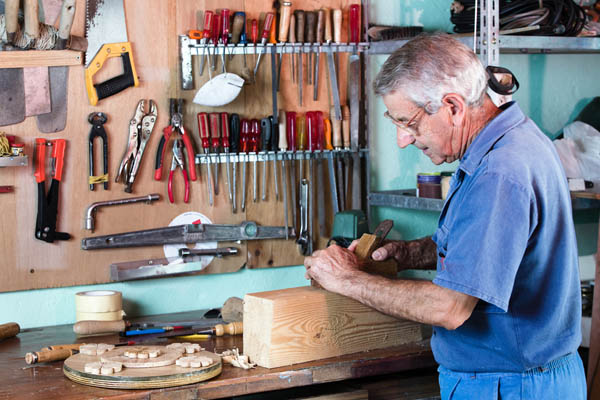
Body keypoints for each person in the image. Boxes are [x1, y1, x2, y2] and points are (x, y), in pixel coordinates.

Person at [304, 33, 586, 399]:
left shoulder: (499, 173)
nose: (403, 140)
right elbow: (484, 250)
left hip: (511, 385)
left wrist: (346, 279)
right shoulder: (512, 142)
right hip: (524, 378)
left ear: (452, 106)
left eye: (409, 122)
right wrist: (406, 254)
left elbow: (451, 307)